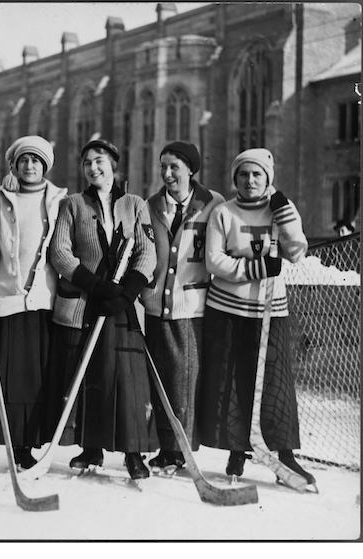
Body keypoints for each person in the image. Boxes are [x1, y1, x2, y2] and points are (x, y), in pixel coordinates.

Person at [198, 147, 315, 484]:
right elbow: (214, 262)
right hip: (228, 310)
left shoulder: (281, 209)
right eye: (244, 174)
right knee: (235, 379)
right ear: (235, 178)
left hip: (271, 310)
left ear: (268, 179)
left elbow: (296, 251)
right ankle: (238, 452)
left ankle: (286, 456)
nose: (250, 181)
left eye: (257, 175)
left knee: (276, 382)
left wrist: (285, 214)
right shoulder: (224, 213)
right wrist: (256, 267)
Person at [47, 138, 158, 480]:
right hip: (86, 303)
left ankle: (133, 453)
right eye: (87, 163)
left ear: (113, 166)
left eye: (100, 161)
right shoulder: (72, 205)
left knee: (128, 380)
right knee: (91, 376)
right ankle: (91, 447)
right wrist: (96, 286)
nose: (93, 168)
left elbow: (146, 252)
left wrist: (126, 294)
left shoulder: (135, 204)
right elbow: (61, 254)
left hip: (121, 306)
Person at [0, 136, 67, 469]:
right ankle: (15, 445)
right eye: (24, 160)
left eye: (36, 161)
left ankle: (32, 441)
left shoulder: (60, 199)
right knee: (11, 377)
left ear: (46, 166)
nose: (30, 166)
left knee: (39, 376)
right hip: (7, 299)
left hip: (44, 299)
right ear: (13, 165)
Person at [140, 142, 224, 471]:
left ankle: (181, 449)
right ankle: (167, 446)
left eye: (174, 166)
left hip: (191, 307)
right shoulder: (151, 205)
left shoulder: (213, 203)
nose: (167, 173)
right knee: (161, 379)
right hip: (156, 305)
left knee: (184, 381)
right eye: (163, 166)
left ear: (190, 169)